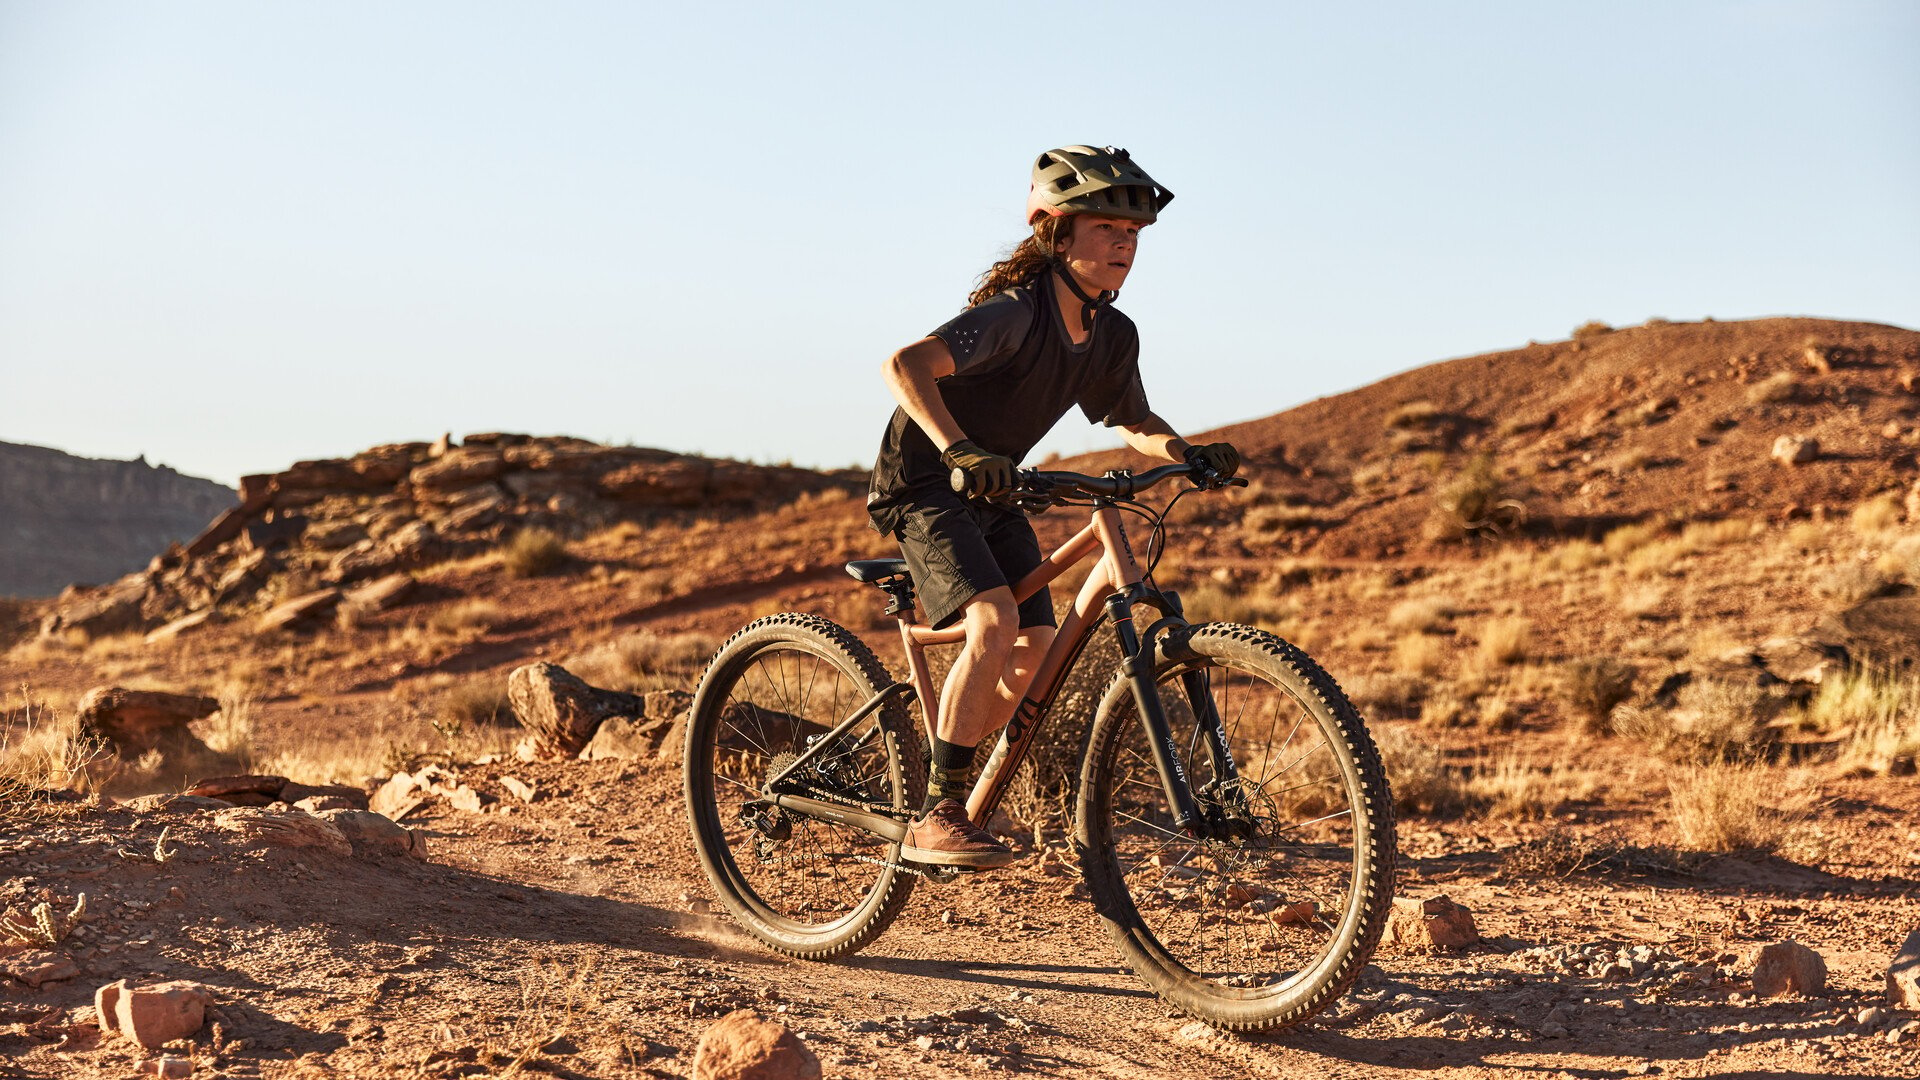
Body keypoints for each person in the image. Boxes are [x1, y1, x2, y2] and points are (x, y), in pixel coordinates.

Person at [866, 145, 1242, 868]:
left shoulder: (1111, 333)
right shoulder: (1015, 314)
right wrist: (958, 450)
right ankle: (936, 811)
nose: (1124, 244)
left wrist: (1185, 454)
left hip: (997, 489)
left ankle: (952, 766)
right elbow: (905, 365)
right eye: (1106, 228)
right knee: (994, 620)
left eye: (1131, 234)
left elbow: (1130, 418)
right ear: (1055, 234)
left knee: (1035, 653)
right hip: (927, 484)